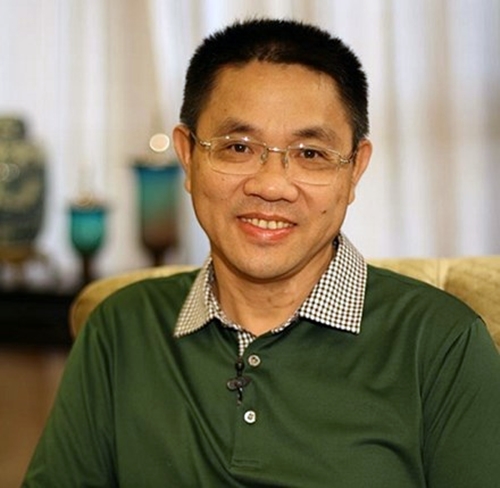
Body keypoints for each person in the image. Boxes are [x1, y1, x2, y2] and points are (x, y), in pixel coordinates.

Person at [23, 18, 500, 487]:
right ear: (188, 156)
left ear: (355, 170)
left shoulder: (441, 344)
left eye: (310, 154)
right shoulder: (121, 328)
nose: (271, 186)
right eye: (238, 147)